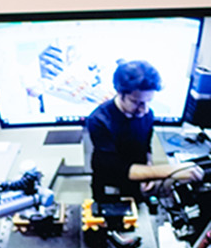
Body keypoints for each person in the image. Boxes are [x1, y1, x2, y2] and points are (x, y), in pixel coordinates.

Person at [86, 59, 204, 201]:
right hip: (110, 185)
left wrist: (149, 171)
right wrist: (170, 170)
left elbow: (146, 148)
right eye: (137, 102)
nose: (144, 110)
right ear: (119, 92)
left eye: (148, 101)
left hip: (137, 181)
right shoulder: (99, 120)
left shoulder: (147, 113)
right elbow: (116, 168)